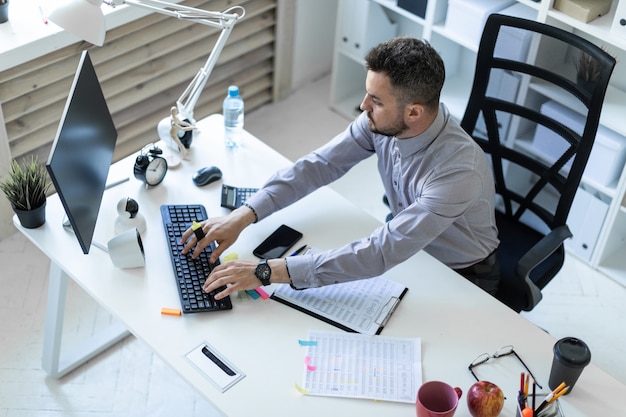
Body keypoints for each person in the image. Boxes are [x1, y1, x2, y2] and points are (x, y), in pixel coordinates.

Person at [181, 36, 500, 300]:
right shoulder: (381, 123)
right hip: (407, 249)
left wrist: (267, 271)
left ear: (413, 113)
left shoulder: (458, 173)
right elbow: (318, 166)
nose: (363, 106)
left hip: (459, 273)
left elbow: (379, 252)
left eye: (376, 100)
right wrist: (243, 216)